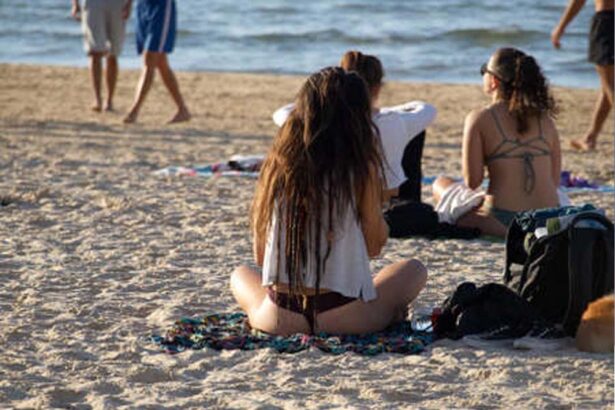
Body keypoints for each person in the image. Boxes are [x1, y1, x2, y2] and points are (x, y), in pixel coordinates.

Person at [231, 67, 427, 336]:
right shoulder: (361, 168)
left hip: (278, 317)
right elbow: (373, 247)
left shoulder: (276, 165)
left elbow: (260, 257)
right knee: (414, 269)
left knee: (240, 274)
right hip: (345, 318)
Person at [273, 50, 437, 203]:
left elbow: (281, 113)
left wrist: (326, 105)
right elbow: (426, 109)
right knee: (414, 130)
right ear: (377, 88)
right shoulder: (388, 121)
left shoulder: (323, 120)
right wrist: (383, 111)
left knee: (300, 128)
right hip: (383, 201)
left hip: (334, 198)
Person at [432, 48, 562, 238]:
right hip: (550, 217)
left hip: (504, 218)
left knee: (441, 184)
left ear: (494, 81)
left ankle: (510, 231)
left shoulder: (480, 118)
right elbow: (554, 180)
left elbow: (473, 182)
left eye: (484, 70)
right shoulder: (545, 119)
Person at [551, 0, 614, 151]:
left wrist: (561, 27)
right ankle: (590, 138)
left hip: (607, 22)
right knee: (608, 85)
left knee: (610, 86)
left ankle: (590, 138)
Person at [123, 0, 190, 124]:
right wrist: (128, 3)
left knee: (150, 57)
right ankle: (182, 109)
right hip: (143, 6)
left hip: (161, 7)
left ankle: (134, 110)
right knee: (160, 62)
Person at [71, 0, 132, 112]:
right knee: (95, 51)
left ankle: (109, 100)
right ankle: (97, 98)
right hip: (93, 4)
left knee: (113, 53)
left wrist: (129, 4)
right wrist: (75, 4)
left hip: (117, 4)